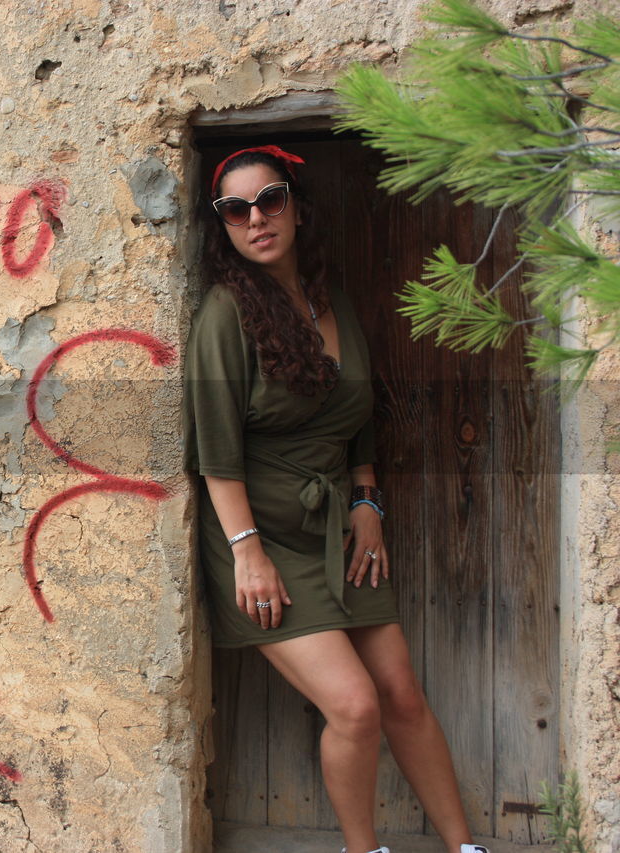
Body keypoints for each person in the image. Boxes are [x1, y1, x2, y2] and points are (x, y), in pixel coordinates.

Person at [184, 144, 489, 853]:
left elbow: (357, 417)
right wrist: (246, 554)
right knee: (354, 706)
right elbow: (215, 455)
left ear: (295, 204)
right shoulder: (224, 316)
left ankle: (464, 847)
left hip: (337, 532)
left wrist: (367, 500)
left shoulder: (329, 300)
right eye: (236, 209)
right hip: (261, 541)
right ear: (222, 225)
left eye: (270, 200)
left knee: (401, 693)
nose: (256, 218)